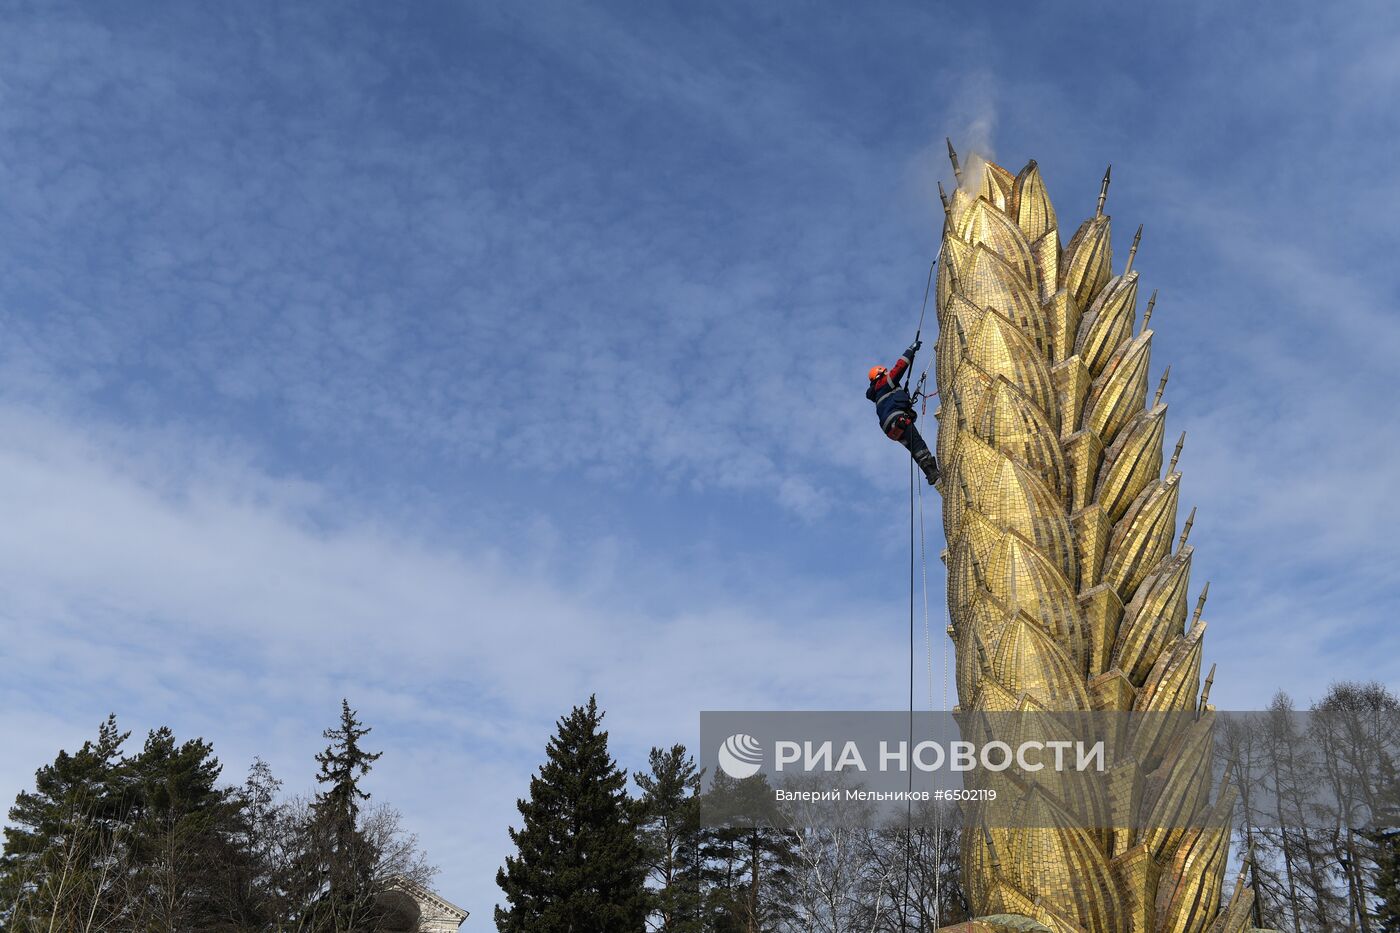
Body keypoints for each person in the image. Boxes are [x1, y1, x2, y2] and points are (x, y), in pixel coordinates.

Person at [867, 340, 939, 485]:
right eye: (885, 372)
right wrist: (911, 350)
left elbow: (894, 403)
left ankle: (932, 475)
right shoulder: (884, 384)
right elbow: (899, 368)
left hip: (891, 429)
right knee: (918, 444)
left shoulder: (879, 395)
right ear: (880, 375)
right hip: (897, 420)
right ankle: (934, 474)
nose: (887, 373)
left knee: (915, 448)